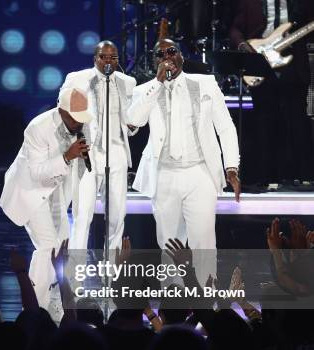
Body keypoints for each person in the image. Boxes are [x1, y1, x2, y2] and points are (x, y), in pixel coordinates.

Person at [127, 39, 241, 285]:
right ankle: (173, 308)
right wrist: (157, 83)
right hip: (164, 174)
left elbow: (226, 127)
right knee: (169, 244)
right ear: (154, 61)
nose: (167, 57)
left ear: (181, 55)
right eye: (161, 54)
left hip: (199, 172)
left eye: (172, 51)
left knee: (204, 243)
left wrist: (231, 166)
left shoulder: (205, 84)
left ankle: (206, 305)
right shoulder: (144, 90)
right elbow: (133, 122)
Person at [0, 87, 92, 320]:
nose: (79, 123)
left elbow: (78, 170)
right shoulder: (38, 128)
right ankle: (34, 310)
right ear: (62, 111)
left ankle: (55, 304)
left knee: (62, 248)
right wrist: (67, 156)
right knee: (48, 248)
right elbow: (37, 172)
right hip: (31, 190)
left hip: (56, 192)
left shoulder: (82, 127)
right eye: (74, 118)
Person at [60, 40, 138, 252]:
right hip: (88, 154)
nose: (108, 61)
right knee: (82, 215)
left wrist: (133, 126)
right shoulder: (77, 79)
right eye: (103, 57)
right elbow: (62, 109)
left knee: (116, 216)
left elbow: (133, 121)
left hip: (117, 152)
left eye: (113, 58)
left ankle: (112, 273)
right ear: (95, 58)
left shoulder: (128, 82)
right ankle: (75, 276)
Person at [229, 0, 313, 184]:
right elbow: (235, 28)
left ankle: (302, 176)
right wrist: (243, 46)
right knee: (264, 119)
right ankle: (266, 177)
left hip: (293, 62)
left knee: (297, 118)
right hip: (260, 60)